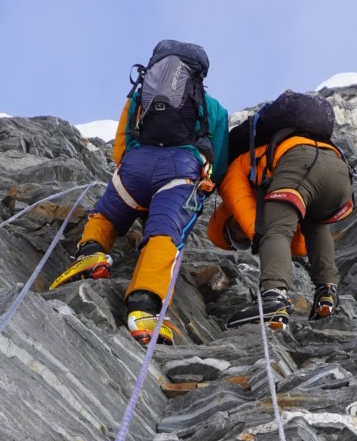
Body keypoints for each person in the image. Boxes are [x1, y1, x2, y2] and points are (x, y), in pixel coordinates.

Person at [53, 39, 229, 344]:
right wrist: (204, 187)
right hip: (180, 171)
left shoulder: (140, 96)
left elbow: (121, 145)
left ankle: (92, 252)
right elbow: (219, 160)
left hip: (135, 166)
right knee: (165, 233)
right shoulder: (213, 108)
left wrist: (129, 170)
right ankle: (144, 305)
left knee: (106, 212)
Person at [208, 97, 354, 330]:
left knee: (275, 230)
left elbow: (258, 222)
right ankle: (326, 292)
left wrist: (257, 237)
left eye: (234, 230)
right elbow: (300, 244)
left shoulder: (234, 171)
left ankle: (273, 297)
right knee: (315, 225)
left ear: (227, 216)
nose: (242, 233)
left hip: (298, 161)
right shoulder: (266, 158)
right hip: (338, 170)